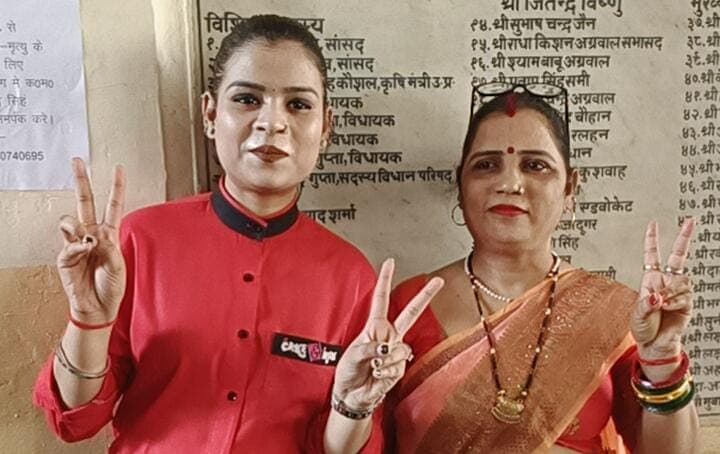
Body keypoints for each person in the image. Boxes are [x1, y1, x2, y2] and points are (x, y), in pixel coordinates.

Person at [32, 14, 441, 453]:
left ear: (325, 128)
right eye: (247, 99)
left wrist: (352, 407)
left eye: (298, 105)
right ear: (210, 114)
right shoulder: (140, 241)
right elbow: (76, 419)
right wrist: (88, 321)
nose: (272, 122)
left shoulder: (351, 276)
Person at [325, 85, 700, 453]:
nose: (509, 183)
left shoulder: (612, 313)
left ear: (570, 188)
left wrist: (663, 361)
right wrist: (352, 405)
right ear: (460, 184)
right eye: (486, 165)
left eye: (535, 165)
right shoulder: (408, 308)